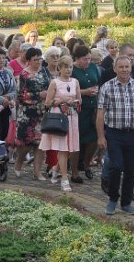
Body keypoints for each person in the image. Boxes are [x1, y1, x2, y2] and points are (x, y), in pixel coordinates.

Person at [97, 55, 134, 215]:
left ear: (131, 68)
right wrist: (101, 136)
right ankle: (112, 199)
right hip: (114, 133)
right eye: (121, 67)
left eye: (127, 67)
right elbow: (101, 113)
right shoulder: (107, 87)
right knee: (116, 166)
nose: (124, 70)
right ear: (115, 69)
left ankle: (126, 202)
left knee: (131, 170)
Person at [38, 56, 80, 192]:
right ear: (60, 68)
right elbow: (47, 103)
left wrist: (75, 102)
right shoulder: (54, 82)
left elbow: (80, 99)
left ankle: (56, 168)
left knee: (69, 147)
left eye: (70, 67)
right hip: (59, 116)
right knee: (62, 148)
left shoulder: (75, 81)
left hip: (72, 116)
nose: (68, 70)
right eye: (66, 67)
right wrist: (60, 101)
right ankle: (64, 179)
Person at [14, 48, 50, 180]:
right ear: (28, 61)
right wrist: (37, 95)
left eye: (40, 59)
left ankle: (37, 171)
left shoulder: (45, 71)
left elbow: (51, 86)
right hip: (27, 114)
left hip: (42, 112)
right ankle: (18, 163)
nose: (38, 62)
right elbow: (20, 96)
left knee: (40, 143)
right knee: (27, 143)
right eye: (35, 59)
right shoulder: (24, 75)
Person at [70, 43, 101, 184]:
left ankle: (86, 163)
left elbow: (98, 82)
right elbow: (68, 89)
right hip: (78, 109)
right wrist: (85, 92)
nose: (87, 62)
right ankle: (74, 170)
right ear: (77, 58)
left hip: (92, 108)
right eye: (84, 59)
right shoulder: (73, 70)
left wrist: (95, 90)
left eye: (89, 58)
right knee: (77, 139)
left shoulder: (93, 67)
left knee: (94, 138)